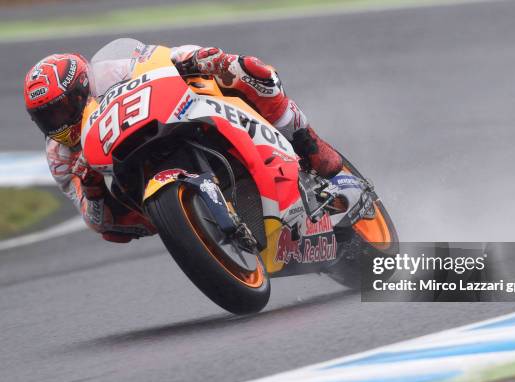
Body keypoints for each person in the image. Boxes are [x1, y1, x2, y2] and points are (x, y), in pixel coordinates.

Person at [23, 42, 343, 243]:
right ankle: (189, 221)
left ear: (84, 89)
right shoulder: (60, 156)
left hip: (169, 114)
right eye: (47, 118)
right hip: (134, 181)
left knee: (247, 70)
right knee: (111, 231)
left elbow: (160, 58)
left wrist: (199, 59)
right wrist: (92, 188)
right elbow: (95, 221)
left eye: (64, 109)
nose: (60, 123)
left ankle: (308, 142)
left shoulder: (110, 72)